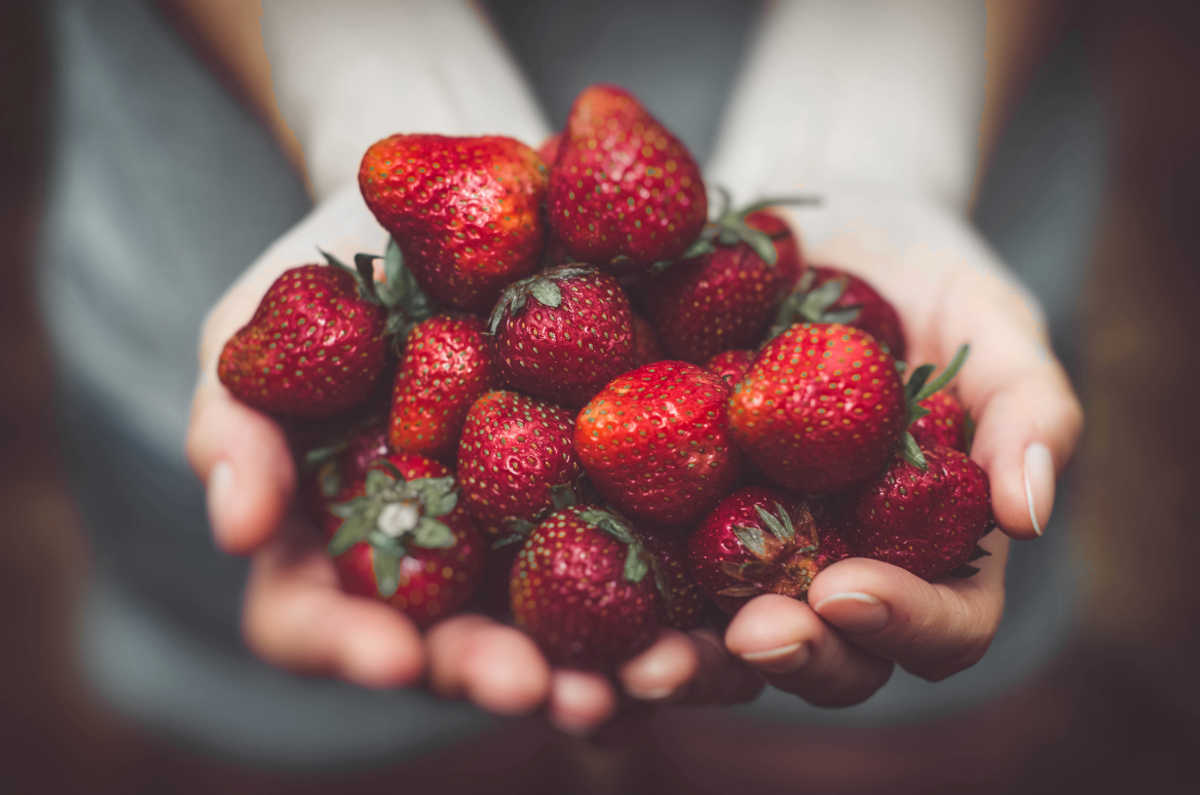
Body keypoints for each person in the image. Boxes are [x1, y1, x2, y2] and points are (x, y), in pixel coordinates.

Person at [40, 0, 1085, 765]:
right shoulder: (532, 365)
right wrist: (373, 75)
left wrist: (879, 142)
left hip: (959, 127)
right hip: (217, 202)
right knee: (307, 748)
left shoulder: (737, 380)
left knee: (858, 748)